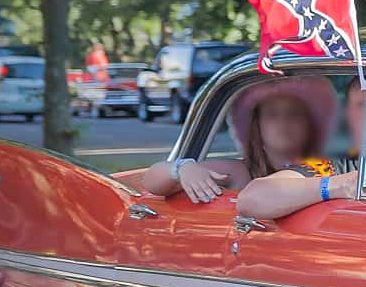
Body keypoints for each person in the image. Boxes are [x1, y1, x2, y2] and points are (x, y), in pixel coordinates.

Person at [143, 75, 335, 205]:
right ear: (257, 127)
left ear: (309, 125)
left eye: (293, 115)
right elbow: (152, 183)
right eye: (272, 115)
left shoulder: (331, 168)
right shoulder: (240, 172)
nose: (283, 122)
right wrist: (183, 168)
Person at [234, 79, 366, 218]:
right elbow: (251, 198)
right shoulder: (335, 168)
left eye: (293, 114)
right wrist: (342, 185)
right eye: (365, 106)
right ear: (349, 116)